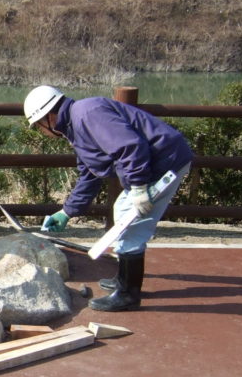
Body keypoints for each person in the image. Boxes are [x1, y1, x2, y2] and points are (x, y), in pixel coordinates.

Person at [24, 84, 194, 312]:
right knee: (124, 212)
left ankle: (128, 294)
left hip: (164, 163)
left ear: (48, 117)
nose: (41, 131)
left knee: (130, 220)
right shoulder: (76, 125)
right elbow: (89, 175)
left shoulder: (87, 114)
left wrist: (138, 186)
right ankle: (123, 281)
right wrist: (66, 212)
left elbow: (130, 147)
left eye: (38, 126)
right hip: (157, 163)